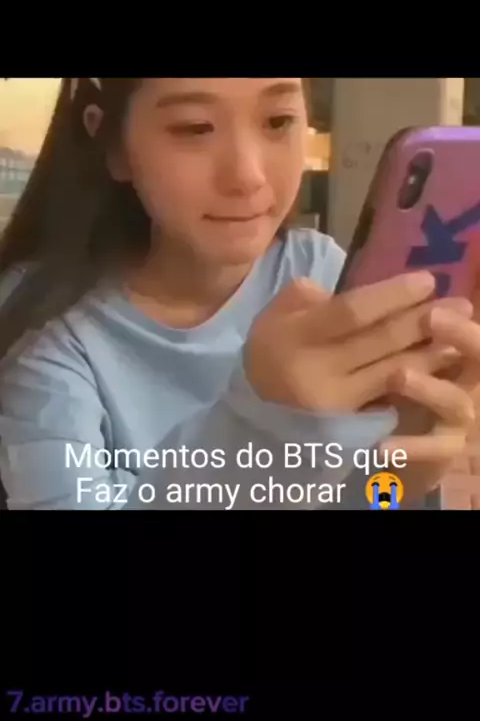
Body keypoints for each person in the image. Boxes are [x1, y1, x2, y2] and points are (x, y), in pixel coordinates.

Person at [0, 77, 478, 511]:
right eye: (194, 127)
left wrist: (397, 482)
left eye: (278, 121)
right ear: (113, 144)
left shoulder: (319, 274)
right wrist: (267, 425)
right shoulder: (41, 327)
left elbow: (360, 500)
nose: (247, 175)